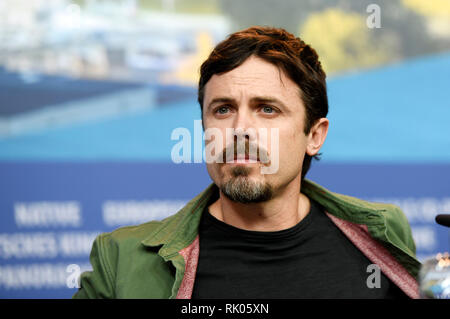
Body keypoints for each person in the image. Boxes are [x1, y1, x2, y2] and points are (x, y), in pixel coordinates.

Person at [73, 26, 421, 299]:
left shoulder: (384, 232)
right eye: (222, 109)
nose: (240, 130)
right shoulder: (122, 261)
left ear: (314, 136)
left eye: (267, 109)